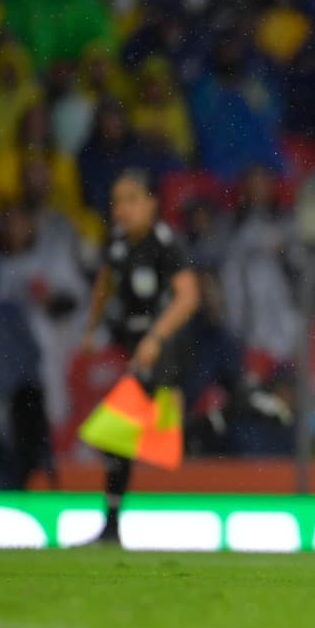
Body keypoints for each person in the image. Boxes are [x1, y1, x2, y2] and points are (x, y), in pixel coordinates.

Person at [81, 169, 200, 543]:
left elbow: (189, 296)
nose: (123, 210)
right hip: (141, 351)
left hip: (165, 352)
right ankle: (238, 408)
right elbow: (105, 282)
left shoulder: (165, 244)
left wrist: (155, 337)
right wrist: (91, 327)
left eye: (132, 200)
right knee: (158, 440)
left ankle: (111, 527)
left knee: (113, 433)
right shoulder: (117, 243)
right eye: (117, 201)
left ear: (151, 204)